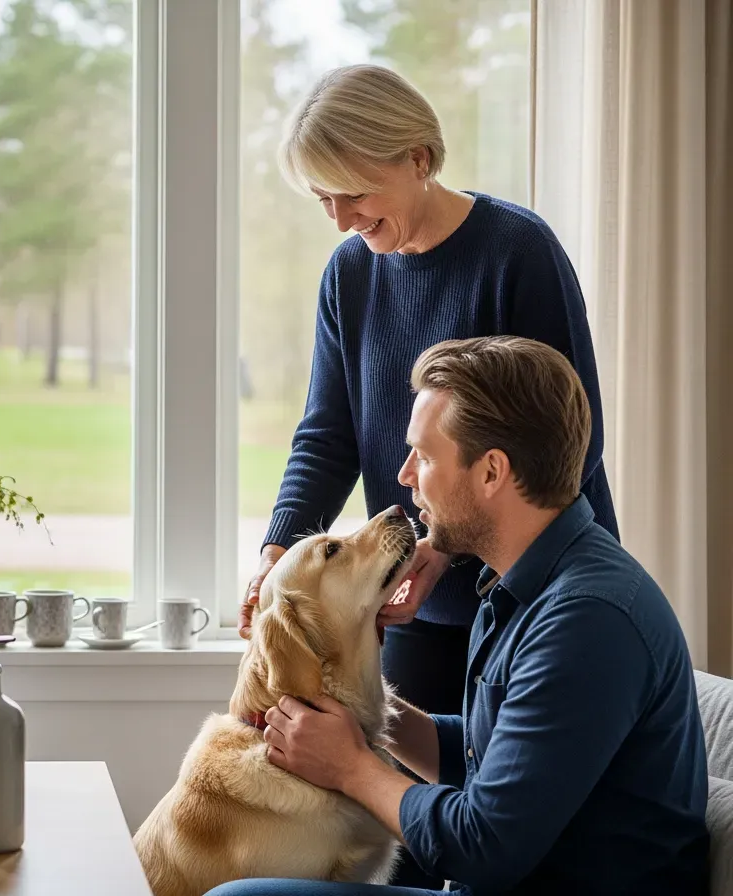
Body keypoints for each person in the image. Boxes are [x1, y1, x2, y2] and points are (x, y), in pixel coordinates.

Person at [237, 64, 619, 888]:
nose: (338, 217)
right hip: (414, 593)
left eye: (350, 190)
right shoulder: (350, 273)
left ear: (416, 156)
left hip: (525, 583)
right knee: (412, 842)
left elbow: (569, 444)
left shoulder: (517, 252)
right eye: (320, 198)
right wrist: (278, 552)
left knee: (490, 838)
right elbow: (326, 434)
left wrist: (443, 549)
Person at [211, 336, 708, 895]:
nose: (404, 476)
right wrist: (358, 706)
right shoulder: (533, 584)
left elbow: (483, 845)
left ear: (491, 471)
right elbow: (495, 758)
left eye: (423, 456)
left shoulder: (585, 621)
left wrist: (351, 766)